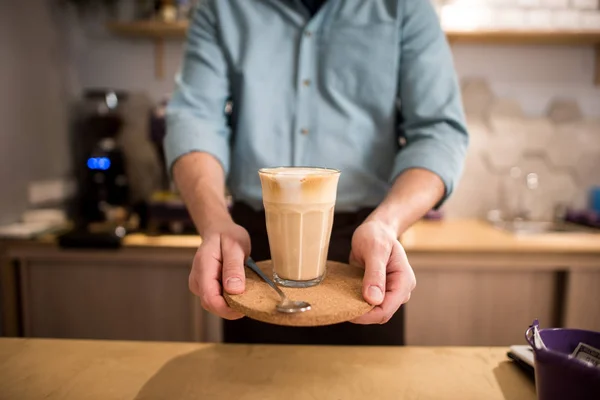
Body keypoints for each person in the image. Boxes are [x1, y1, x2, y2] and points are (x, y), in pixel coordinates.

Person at [165, 0, 468, 345]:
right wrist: (213, 222)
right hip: (249, 247)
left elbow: (439, 132)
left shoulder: (405, 8)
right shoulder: (221, 8)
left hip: (368, 245)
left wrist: (388, 224)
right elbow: (194, 119)